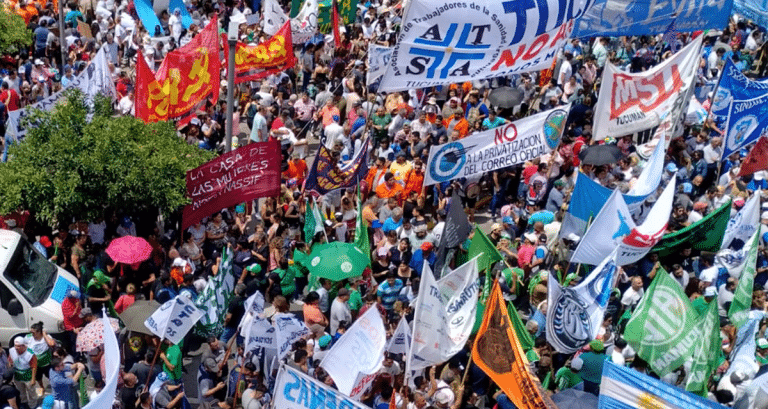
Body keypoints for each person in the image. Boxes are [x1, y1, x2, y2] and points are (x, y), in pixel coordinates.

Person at [24, 322, 55, 391]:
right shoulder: (28, 337)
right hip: (36, 365)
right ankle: (41, 387)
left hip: (46, 364)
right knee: (38, 377)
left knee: (51, 377)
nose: (32, 334)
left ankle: (55, 387)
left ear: (39, 332)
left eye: (33, 333)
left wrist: (44, 334)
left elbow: (52, 344)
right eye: (31, 332)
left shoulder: (46, 337)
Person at [8, 337, 37, 409]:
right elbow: (10, 359)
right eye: (15, 345)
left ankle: (33, 405)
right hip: (17, 376)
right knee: (21, 392)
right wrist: (10, 364)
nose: (16, 348)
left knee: (31, 392)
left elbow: (34, 366)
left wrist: (33, 379)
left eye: (18, 346)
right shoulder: (12, 350)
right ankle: (24, 403)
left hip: (27, 376)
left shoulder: (30, 353)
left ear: (23, 346)